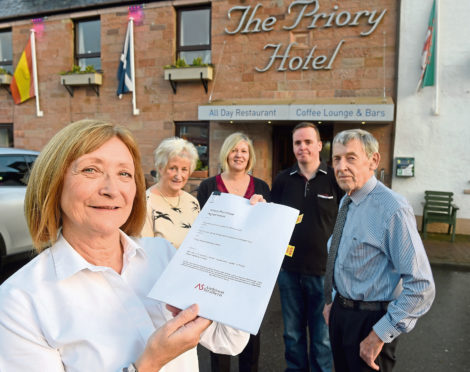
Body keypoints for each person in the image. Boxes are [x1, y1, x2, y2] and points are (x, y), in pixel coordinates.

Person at [0, 119, 249, 372]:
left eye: (124, 174)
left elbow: (227, 340)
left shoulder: (162, 255)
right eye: (90, 170)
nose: (112, 189)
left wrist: (247, 248)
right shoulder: (21, 301)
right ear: (53, 182)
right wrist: (149, 363)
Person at [322, 129, 435, 372]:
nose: (341, 167)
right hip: (341, 315)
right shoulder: (347, 200)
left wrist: (380, 334)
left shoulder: (392, 208)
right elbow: (340, 257)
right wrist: (332, 300)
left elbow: (421, 286)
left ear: (373, 160)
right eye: (336, 159)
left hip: (371, 323)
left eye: (351, 158)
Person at [271, 122, 343, 372]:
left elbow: (347, 221)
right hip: (289, 272)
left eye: (308, 142)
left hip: (325, 275)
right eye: (297, 143)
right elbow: (271, 220)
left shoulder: (335, 178)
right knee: (292, 335)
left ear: (320, 145)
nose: (302, 147)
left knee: (322, 339)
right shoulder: (282, 180)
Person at [197, 132, 270, 372]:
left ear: (250, 156)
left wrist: (265, 210)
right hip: (218, 269)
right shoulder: (208, 186)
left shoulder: (261, 187)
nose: (239, 155)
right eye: (234, 150)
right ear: (226, 153)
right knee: (219, 333)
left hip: (250, 271)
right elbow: (201, 229)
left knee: (249, 330)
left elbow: (268, 229)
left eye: (244, 151)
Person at [141, 137, 200, 248]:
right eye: (173, 168)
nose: (178, 175)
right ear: (160, 168)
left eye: (184, 169)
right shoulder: (144, 203)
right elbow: (145, 252)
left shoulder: (192, 202)